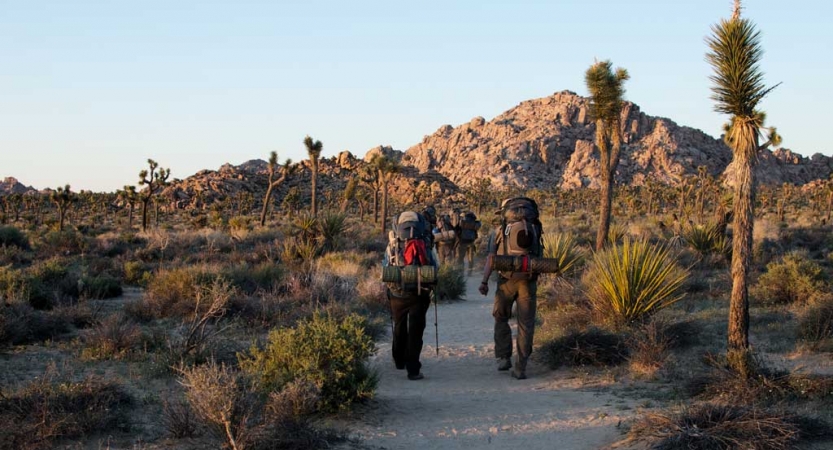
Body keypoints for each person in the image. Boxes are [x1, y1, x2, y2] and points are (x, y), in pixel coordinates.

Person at [479, 197, 542, 380]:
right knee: (526, 324)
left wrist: (484, 281)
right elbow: (540, 253)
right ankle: (521, 367)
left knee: (500, 317)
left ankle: (503, 357)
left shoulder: (499, 230)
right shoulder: (535, 228)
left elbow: (491, 258)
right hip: (528, 281)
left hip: (506, 280)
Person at [384, 210, 437, 380]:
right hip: (419, 292)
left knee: (399, 325)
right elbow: (435, 266)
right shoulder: (425, 241)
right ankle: (413, 369)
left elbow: (385, 265)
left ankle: (399, 360)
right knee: (416, 329)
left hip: (397, 291)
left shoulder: (393, 243)